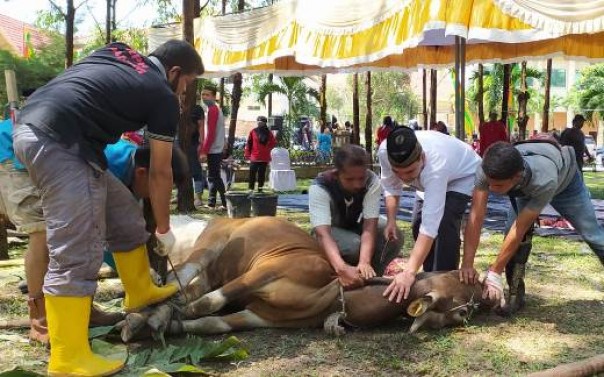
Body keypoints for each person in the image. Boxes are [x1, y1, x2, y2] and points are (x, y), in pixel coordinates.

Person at [12, 40, 203, 376]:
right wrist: (164, 229)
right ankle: (68, 357)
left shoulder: (119, 51)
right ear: (174, 72)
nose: (185, 92)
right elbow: (161, 171)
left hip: (50, 132)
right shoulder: (161, 95)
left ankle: (139, 290)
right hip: (58, 141)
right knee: (77, 250)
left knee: (124, 215)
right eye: (187, 83)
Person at [462, 141, 604, 314]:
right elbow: (476, 217)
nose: (490, 188)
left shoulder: (544, 179)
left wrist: (494, 272)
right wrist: (467, 263)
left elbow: (519, 228)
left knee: (592, 235)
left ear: (516, 176)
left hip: (565, 182)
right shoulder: (487, 170)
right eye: (489, 183)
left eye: (497, 186)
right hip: (526, 186)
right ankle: (516, 296)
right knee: (510, 236)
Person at [378, 126, 481, 303]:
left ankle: (445, 283)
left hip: (462, 175)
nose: (404, 178)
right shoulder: (384, 151)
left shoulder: (436, 165)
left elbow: (430, 225)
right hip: (425, 180)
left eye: (409, 172)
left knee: (445, 222)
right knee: (416, 223)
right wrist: (391, 220)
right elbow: (391, 186)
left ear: (422, 158)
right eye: (398, 172)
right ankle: (428, 277)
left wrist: (408, 271)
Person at [309, 144, 402, 288]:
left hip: (354, 228)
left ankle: (370, 279)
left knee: (392, 236)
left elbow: (370, 226)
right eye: (350, 179)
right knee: (354, 245)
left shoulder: (372, 182)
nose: (358, 185)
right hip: (328, 235)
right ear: (336, 174)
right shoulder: (320, 187)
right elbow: (323, 235)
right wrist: (341, 268)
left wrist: (364, 262)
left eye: (361, 178)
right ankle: (339, 276)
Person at [199, 85, 227, 210]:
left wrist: (204, 151)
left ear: (214, 97)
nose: (204, 97)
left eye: (207, 95)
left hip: (214, 149)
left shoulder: (213, 110)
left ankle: (226, 202)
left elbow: (210, 133)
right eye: (203, 95)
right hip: (216, 148)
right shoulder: (213, 109)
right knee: (213, 176)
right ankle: (211, 202)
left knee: (214, 177)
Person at [244, 115, 277, 192]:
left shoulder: (269, 133)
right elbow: (249, 143)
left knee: (261, 174)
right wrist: (247, 154)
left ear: (265, 123)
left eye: (261, 122)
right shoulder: (253, 131)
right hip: (254, 156)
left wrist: (267, 148)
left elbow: (273, 142)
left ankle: (260, 189)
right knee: (252, 173)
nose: (259, 123)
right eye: (258, 122)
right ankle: (251, 188)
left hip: (264, 157)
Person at [188, 104, 205, 207]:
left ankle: (198, 197)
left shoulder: (197, 109)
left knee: (196, 171)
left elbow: (201, 127)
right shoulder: (176, 105)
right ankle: (180, 195)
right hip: (179, 143)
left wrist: (201, 144)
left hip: (193, 144)